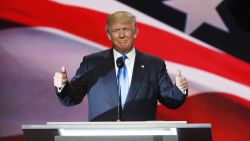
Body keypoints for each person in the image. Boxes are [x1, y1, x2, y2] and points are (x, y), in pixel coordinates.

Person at [53, 11, 188, 121]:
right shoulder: (91, 63)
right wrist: (62, 86)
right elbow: (71, 98)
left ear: (135, 32)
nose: (122, 35)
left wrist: (180, 89)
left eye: (126, 29)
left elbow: (171, 100)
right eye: (116, 30)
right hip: (102, 137)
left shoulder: (154, 65)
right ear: (109, 35)